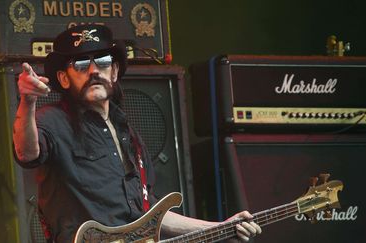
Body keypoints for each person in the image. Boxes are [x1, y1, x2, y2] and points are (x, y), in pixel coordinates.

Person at [13, 24, 261, 243]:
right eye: (80, 64)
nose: (93, 71)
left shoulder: (129, 136)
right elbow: (26, 152)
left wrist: (221, 228)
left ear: (115, 71)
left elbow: (147, 214)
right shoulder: (51, 120)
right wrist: (27, 101)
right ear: (63, 79)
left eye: (103, 61)